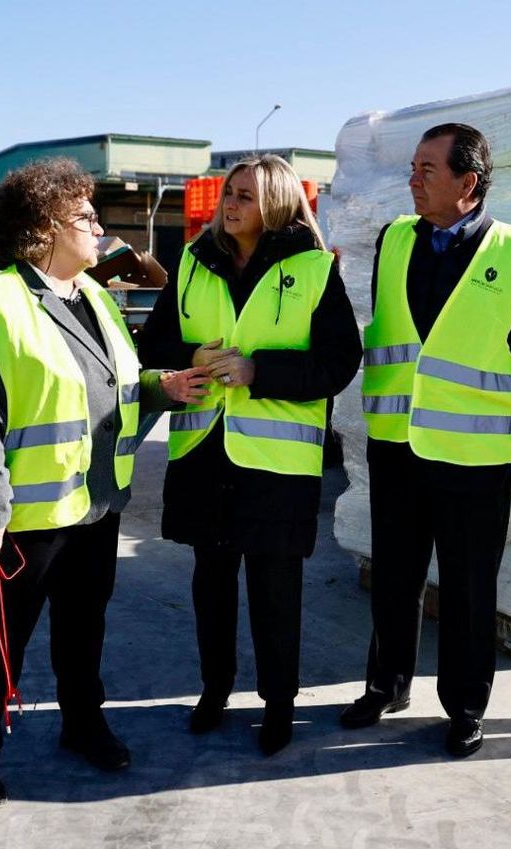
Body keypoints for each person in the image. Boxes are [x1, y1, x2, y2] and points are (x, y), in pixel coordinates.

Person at [0, 158, 209, 812]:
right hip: (27, 517)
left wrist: (163, 387)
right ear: (44, 228)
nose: (100, 227)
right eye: (86, 217)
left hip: (96, 503)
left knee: (84, 626)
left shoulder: (94, 297)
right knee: (2, 641)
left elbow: (116, 386)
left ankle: (82, 723)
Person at [341, 123, 511, 757]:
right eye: (412, 166)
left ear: (468, 182)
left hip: (476, 455)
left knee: (468, 587)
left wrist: (485, 402)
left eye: (426, 169)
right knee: (395, 576)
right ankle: (386, 685)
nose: (413, 178)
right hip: (398, 442)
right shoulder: (394, 240)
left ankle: (465, 706)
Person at [138, 155, 360, 755]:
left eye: (245, 196)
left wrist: (260, 371)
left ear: (279, 204)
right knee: (210, 581)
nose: (229, 204)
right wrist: (191, 358)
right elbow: (153, 344)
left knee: (275, 587)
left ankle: (279, 703)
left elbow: (339, 362)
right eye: (229, 193)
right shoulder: (191, 262)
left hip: (276, 464)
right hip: (204, 450)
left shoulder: (314, 270)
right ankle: (215, 690)